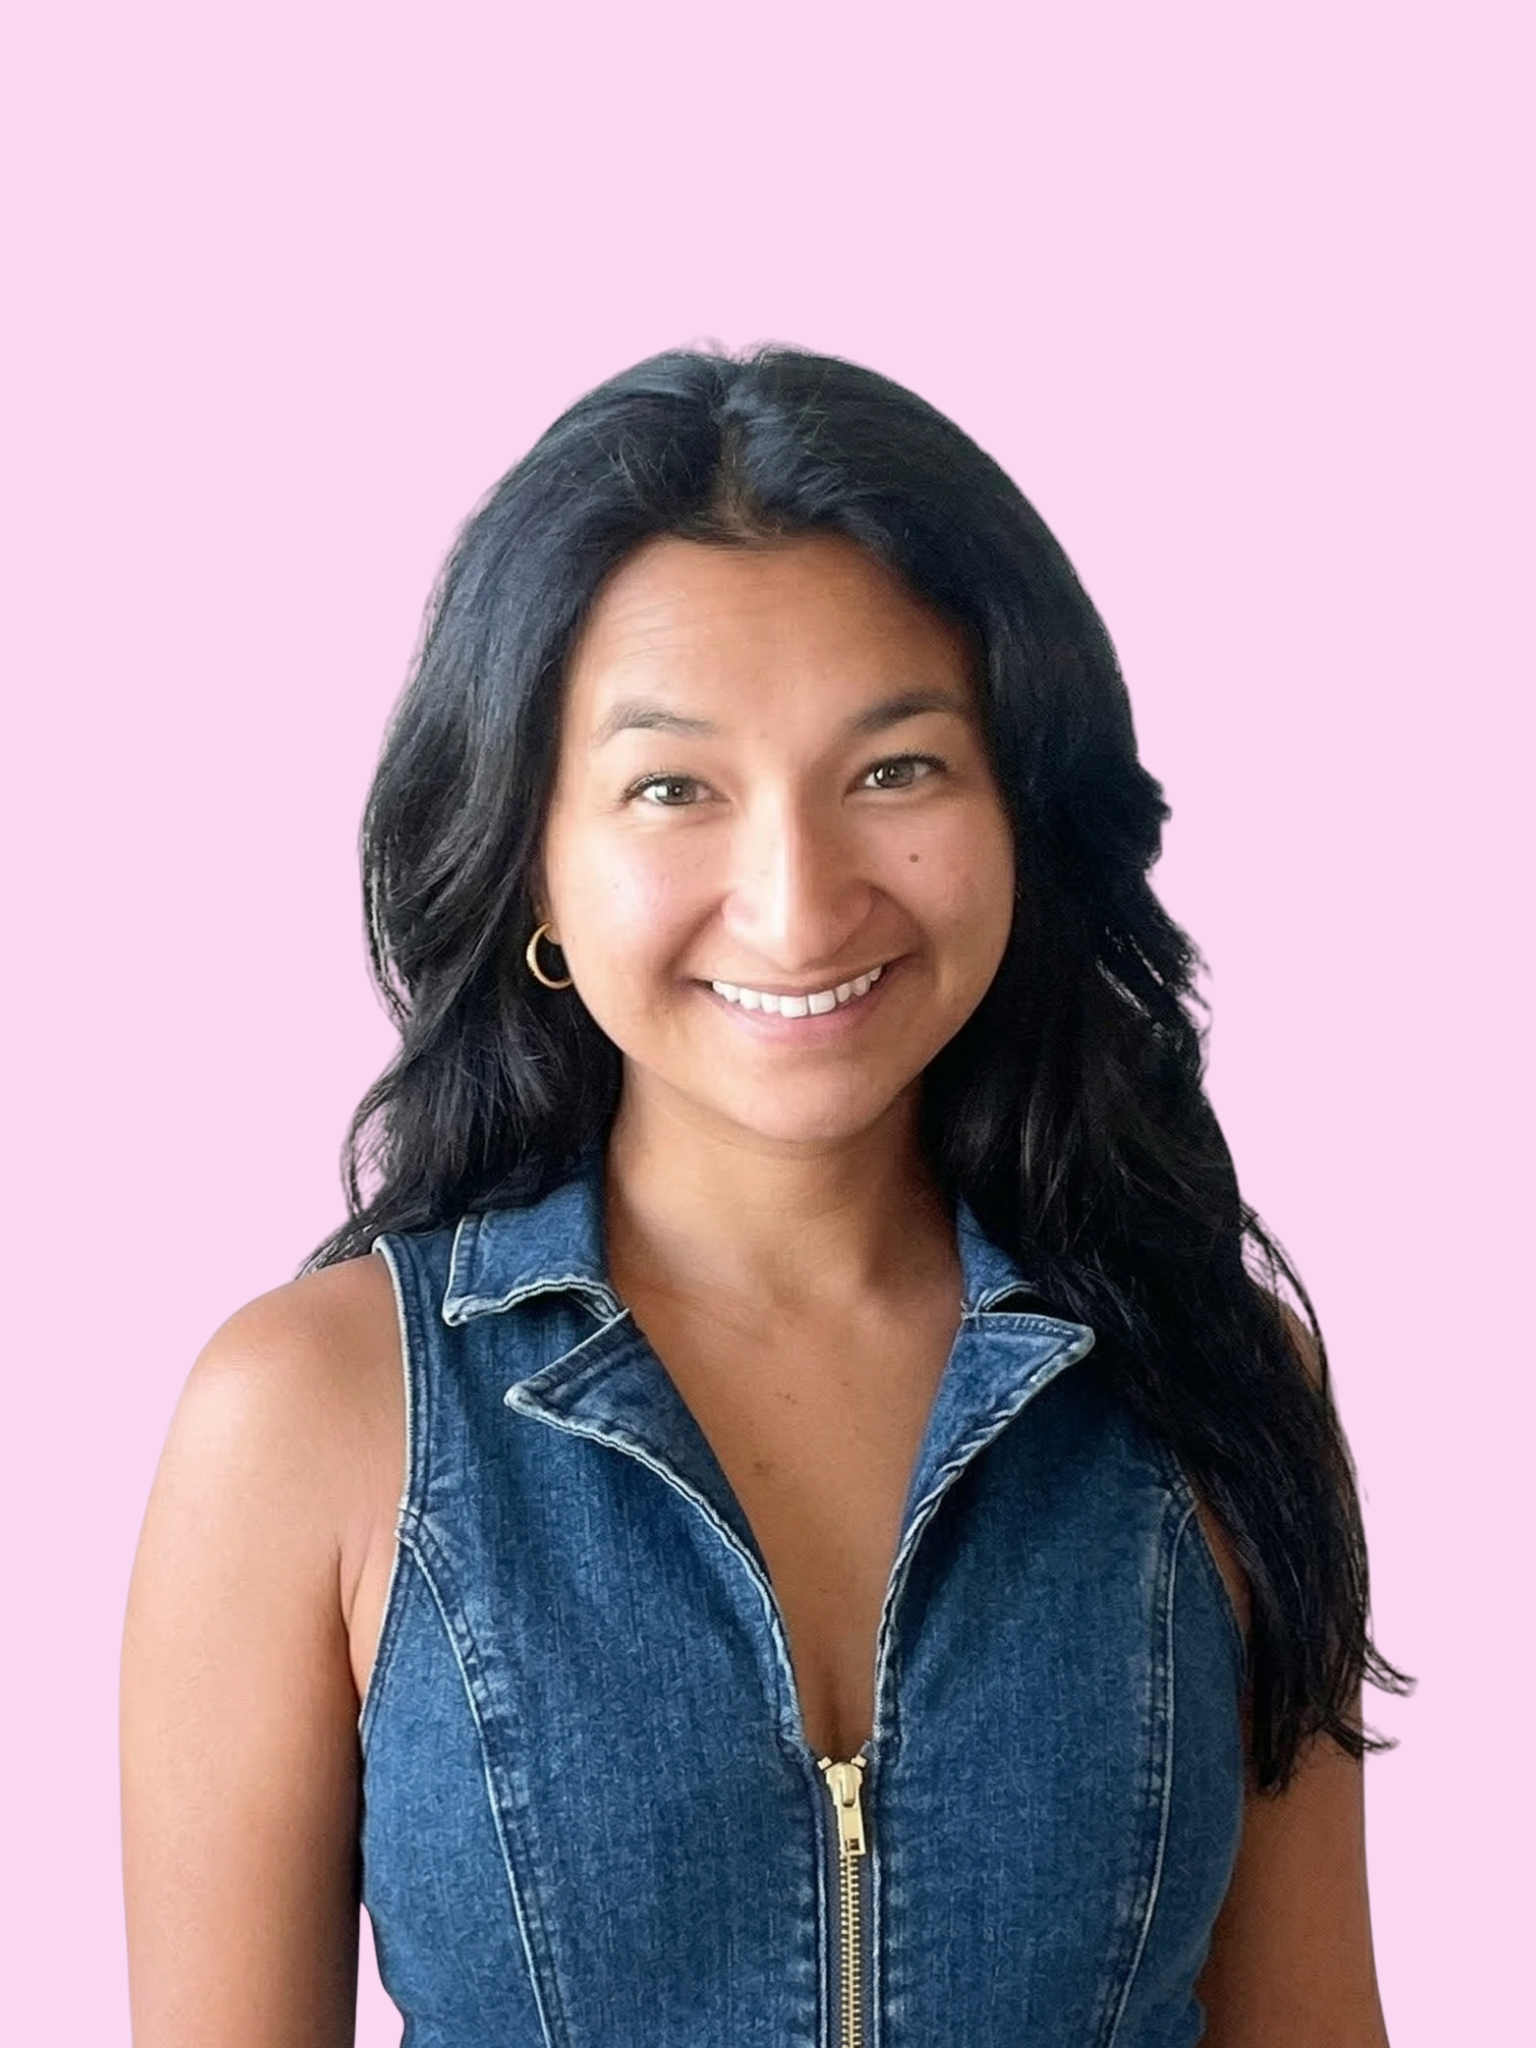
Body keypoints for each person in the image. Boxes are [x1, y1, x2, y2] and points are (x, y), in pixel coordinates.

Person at [120, 343, 1409, 2046]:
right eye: (673, 789)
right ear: (533, 863)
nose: (797, 906)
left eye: (897, 770)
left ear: (1024, 812)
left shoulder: (1214, 1381)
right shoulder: (312, 1415)